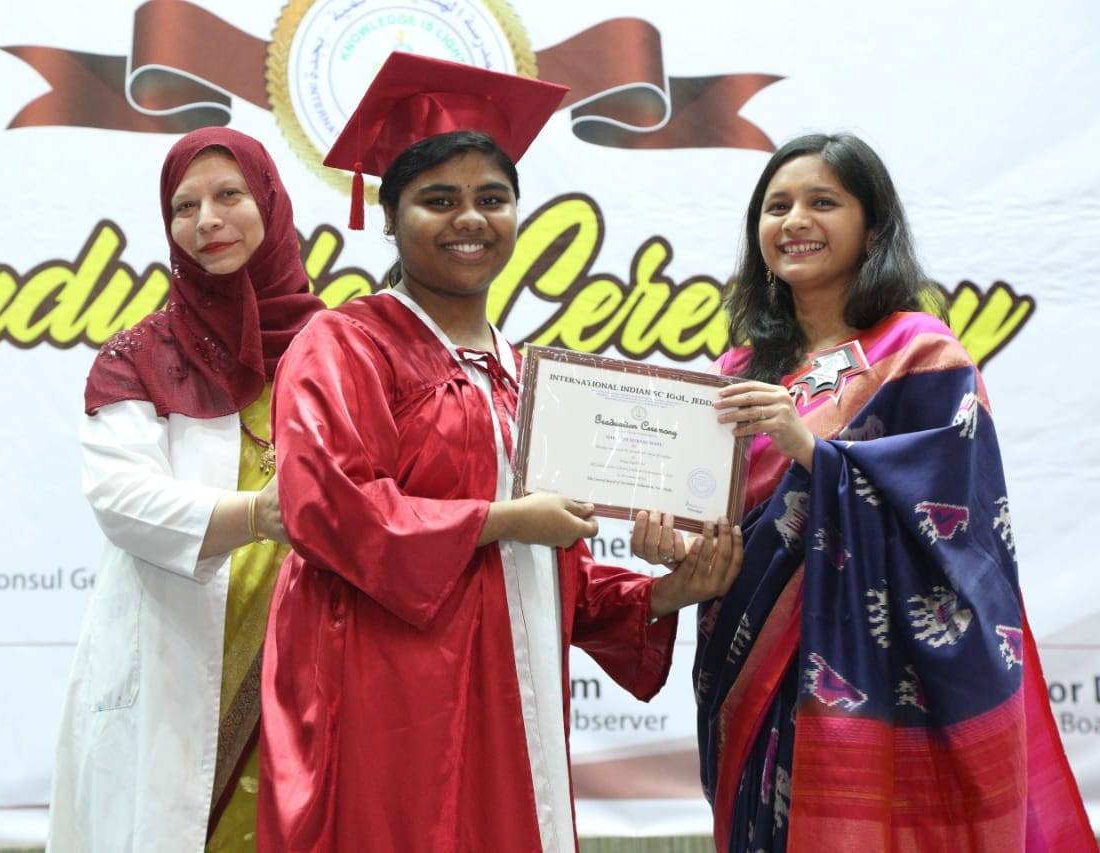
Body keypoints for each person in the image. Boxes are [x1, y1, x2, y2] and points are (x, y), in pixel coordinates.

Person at [256, 53, 744, 852]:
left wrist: (662, 592)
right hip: (383, 683)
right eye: (437, 200)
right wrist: (504, 516)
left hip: (509, 693)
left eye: (493, 198)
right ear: (390, 215)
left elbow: (550, 573)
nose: (470, 219)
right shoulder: (344, 344)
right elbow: (330, 506)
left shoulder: (527, 374)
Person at [698, 132, 1094, 851]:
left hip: (879, 679)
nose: (794, 221)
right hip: (752, 670)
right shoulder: (742, 366)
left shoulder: (921, 351)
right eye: (776, 205)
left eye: (823, 202)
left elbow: (959, 523)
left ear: (871, 225)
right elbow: (725, 513)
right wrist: (674, 536)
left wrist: (812, 451)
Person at [47, 128, 324, 852]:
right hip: (177, 667)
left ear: (270, 202)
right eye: (184, 205)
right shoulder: (139, 356)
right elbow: (120, 498)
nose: (206, 221)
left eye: (229, 194)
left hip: (318, 669)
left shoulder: (339, 348)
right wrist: (261, 515)